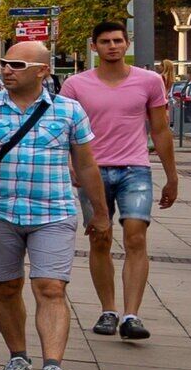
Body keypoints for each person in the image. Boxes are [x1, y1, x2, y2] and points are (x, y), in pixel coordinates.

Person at [0, 39, 107, 370]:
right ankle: (18, 357)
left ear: (43, 71)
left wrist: (100, 212)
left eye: (17, 65)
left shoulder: (69, 111)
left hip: (53, 212)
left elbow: (87, 165)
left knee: (51, 287)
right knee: (6, 286)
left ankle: (53, 366)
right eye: (5, 63)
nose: (7, 70)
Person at [62, 23, 176, 343]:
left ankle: (131, 315)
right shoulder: (75, 85)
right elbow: (63, 128)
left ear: (127, 44)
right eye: (104, 41)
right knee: (100, 238)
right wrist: (69, 163)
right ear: (94, 46)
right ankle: (108, 310)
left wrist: (172, 176)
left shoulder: (149, 81)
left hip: (135, 169)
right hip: (92, 171)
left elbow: (160, 130)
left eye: (117, 40)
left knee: (136, 237)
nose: (112, 46)